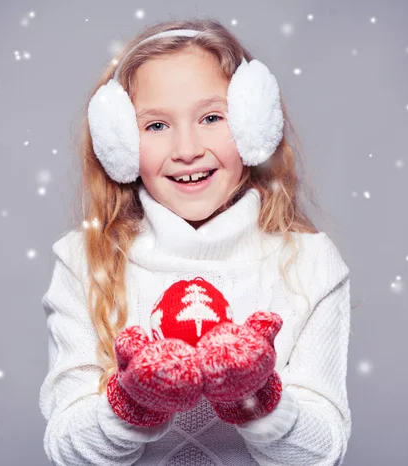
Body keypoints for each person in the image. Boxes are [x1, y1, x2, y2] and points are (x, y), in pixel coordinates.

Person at [38, 18, 352, 466]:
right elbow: (68, 451)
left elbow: (322, 452)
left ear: (252, 124)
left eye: (211, 118)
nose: (187, 148)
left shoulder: (309, 262)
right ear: (120, 142)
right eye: (157, 125)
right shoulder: (85, 261)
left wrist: (255, 399)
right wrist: (134, 405)